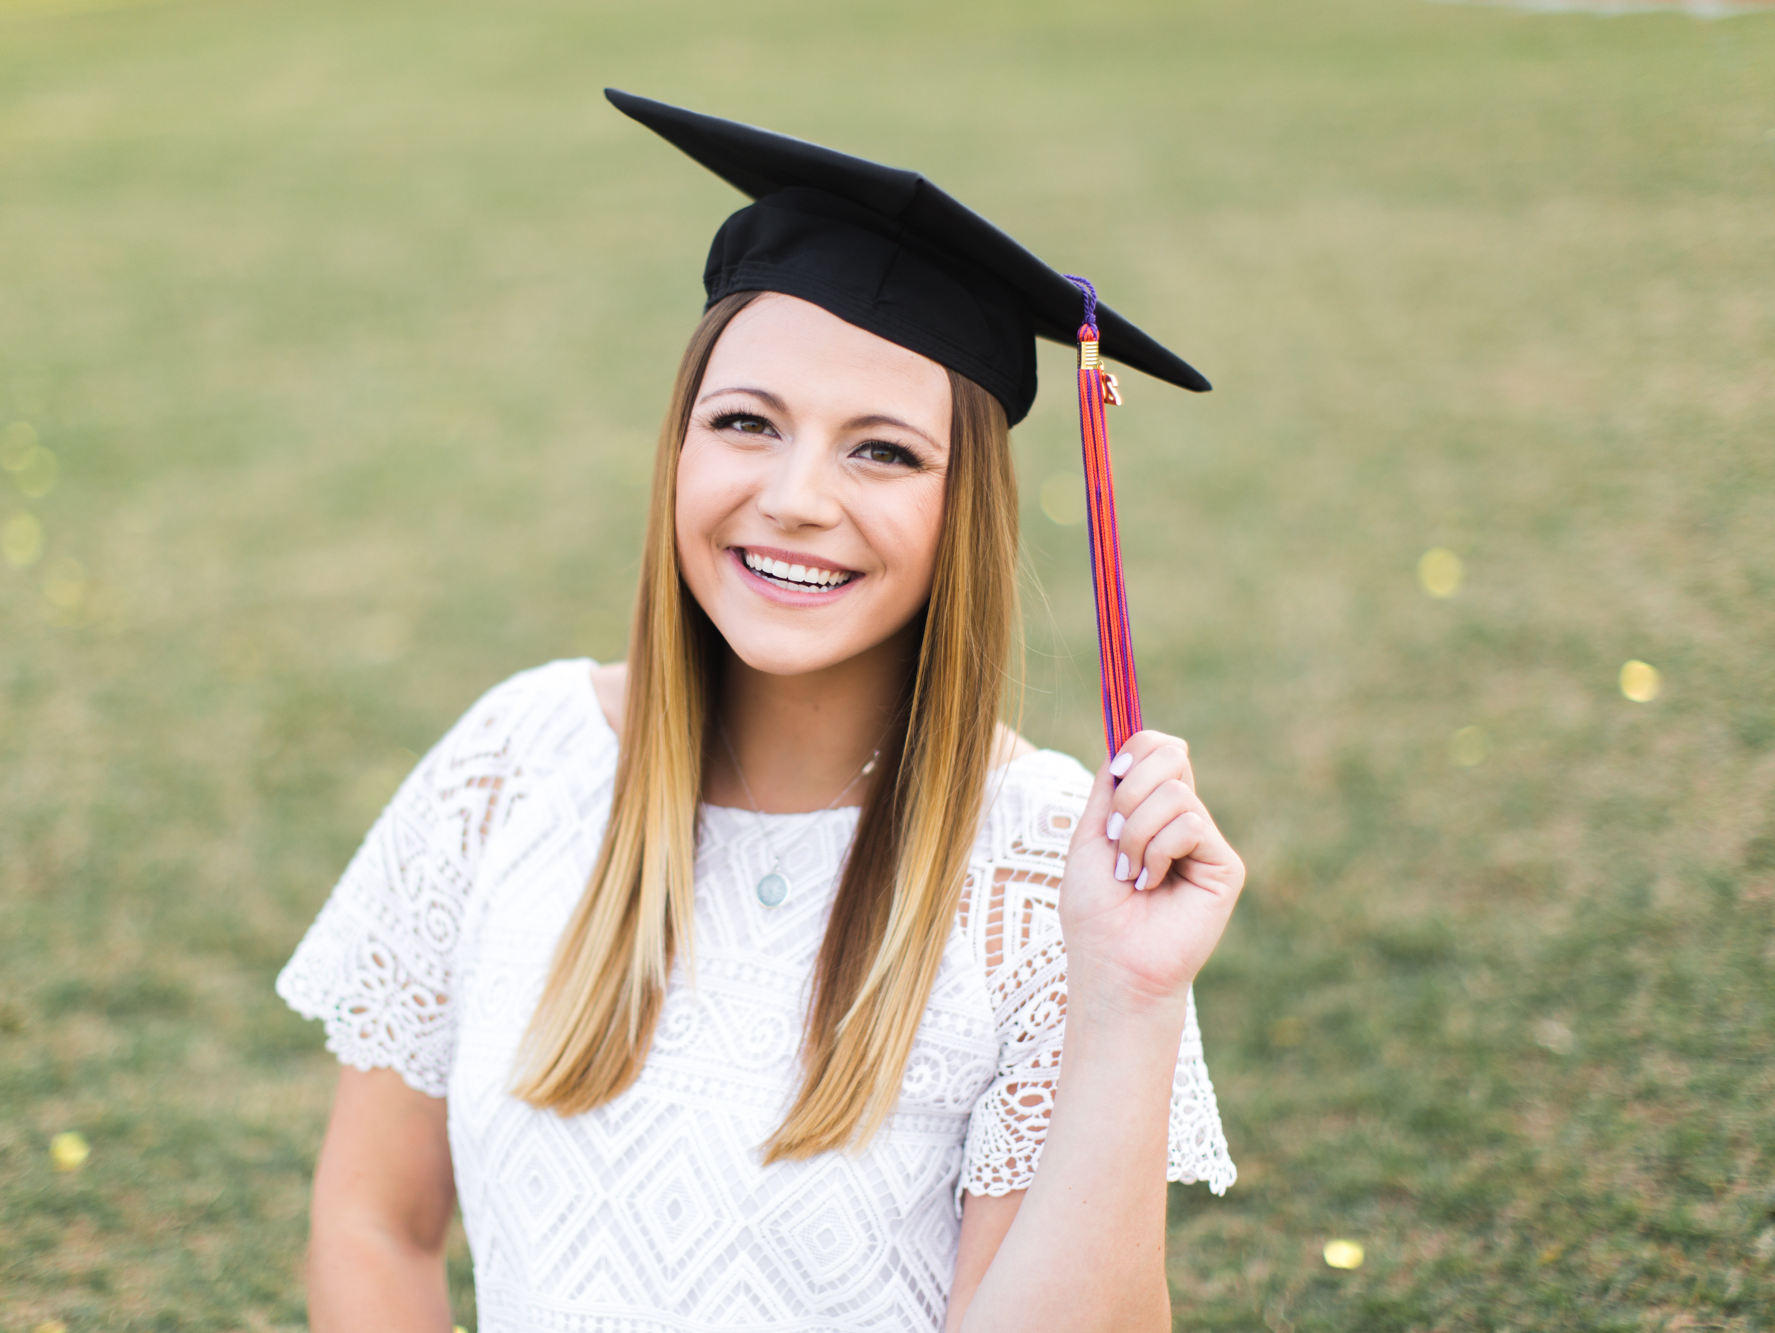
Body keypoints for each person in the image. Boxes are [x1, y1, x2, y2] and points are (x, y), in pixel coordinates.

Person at [278, 91, 1243, 1333]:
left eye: (881, 450)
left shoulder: (1044, 871)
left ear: (966, 513)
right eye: (745, 423)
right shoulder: (515, 764)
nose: (793, 497)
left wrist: (1128, 1002)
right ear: (677, 446)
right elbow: (372, 1224)